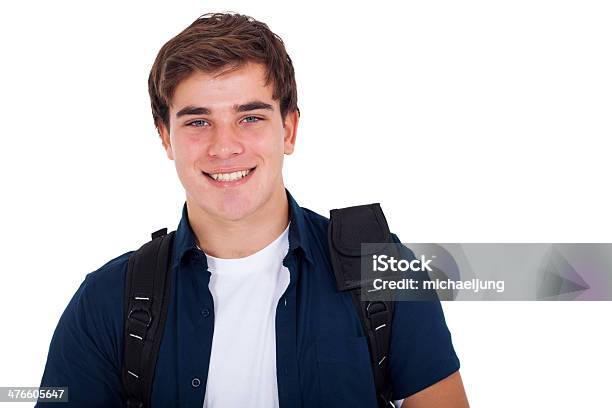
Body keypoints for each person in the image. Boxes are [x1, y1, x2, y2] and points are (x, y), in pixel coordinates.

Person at [37, 12, 469, 408]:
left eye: (250, 118)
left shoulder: (382, 267)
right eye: (197, 121)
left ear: (289, 129)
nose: (225, 146)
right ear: (166, 138)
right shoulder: (105, 301)